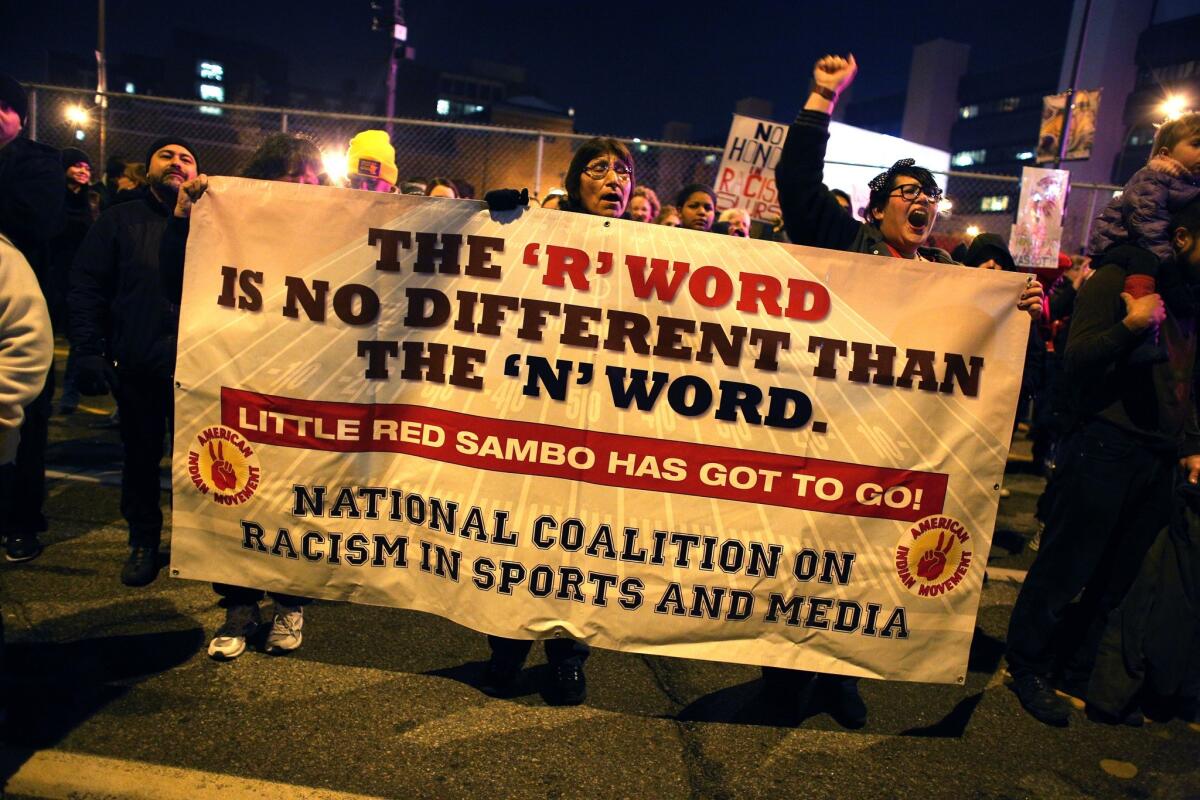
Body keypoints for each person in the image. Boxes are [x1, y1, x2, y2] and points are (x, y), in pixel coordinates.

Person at [771, 52, 1043, 728]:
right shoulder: (847, 244)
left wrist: (1019, 312)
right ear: (879, 204)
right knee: (810, 558)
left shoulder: (952, 275)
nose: (922, 202)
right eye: (908, 191)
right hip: (832, 435)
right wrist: (821, 99)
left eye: (930, 195)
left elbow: (991, 368)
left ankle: (842, 674)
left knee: (870, 569)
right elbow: (798, 183)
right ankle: (784, 672)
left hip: (906, 452)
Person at [1005, 197, 1200, 728]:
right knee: (1067, 566)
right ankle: (1026, 664)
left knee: (1118, 574)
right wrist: (1132, 327)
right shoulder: (1119, 274)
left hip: (1156, 454)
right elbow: (1078, 357)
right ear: (1182, 238)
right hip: (1103, 445)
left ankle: (1074, 667)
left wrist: (1187, 444)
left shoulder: (1187, 295)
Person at [481, 137, 635, 707]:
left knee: (580, 544)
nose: (613, 179)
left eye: (624, 171)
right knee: (520, 535)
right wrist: (500, 213)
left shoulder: (654, 244)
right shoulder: (542, 228)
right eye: (599, 169)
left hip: (604, 420)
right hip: (538, 412)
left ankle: (567, 658)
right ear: (575, 182)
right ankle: (506, 647)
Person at [160, 133, 322, 659]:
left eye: (310, 180)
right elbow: (174, 277)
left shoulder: (334, 227)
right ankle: (239, 604)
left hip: (305, 380)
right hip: (238, 374)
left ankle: (290, 603)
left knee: (296, 494)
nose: (301, 188)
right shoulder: (230, 222)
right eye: (288, 178)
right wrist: (192, 215)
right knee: (235, 489)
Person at [70, 137, 200, 586]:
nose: (176, 162)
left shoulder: (211, 223)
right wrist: (89, 350)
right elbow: (88, 286)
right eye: (166, 155)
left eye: (186, 158)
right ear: (148, 170)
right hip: (141, 362)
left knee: (198, 464)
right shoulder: (119, 221)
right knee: (141, 458)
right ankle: (143, 540)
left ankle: (196, 546)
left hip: (198, 367)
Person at [0, 73, 64, 563]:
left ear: (20, 117)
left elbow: (34, 222)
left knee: (26, 427)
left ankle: (22, 521)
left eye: (4, 106)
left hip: (22, 305)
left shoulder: (39, 164)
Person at [1087, 113, 1200, 363]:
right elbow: (1145, 222)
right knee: (1146, 263)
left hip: (1151, 241)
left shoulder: (1187, 184)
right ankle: (1144, 339)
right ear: (1165, 154)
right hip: (1122, 240)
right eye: (1196, 144)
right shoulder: (1152, 177)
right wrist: (1167, 263)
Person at [50, 148, 99, 416]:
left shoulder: (90, 202)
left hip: (76, 278)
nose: (83, 171)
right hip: (53, 275)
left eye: (87, 168)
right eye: (77, 166)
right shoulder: (53, 198)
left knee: (76, 338)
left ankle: (70, 393)